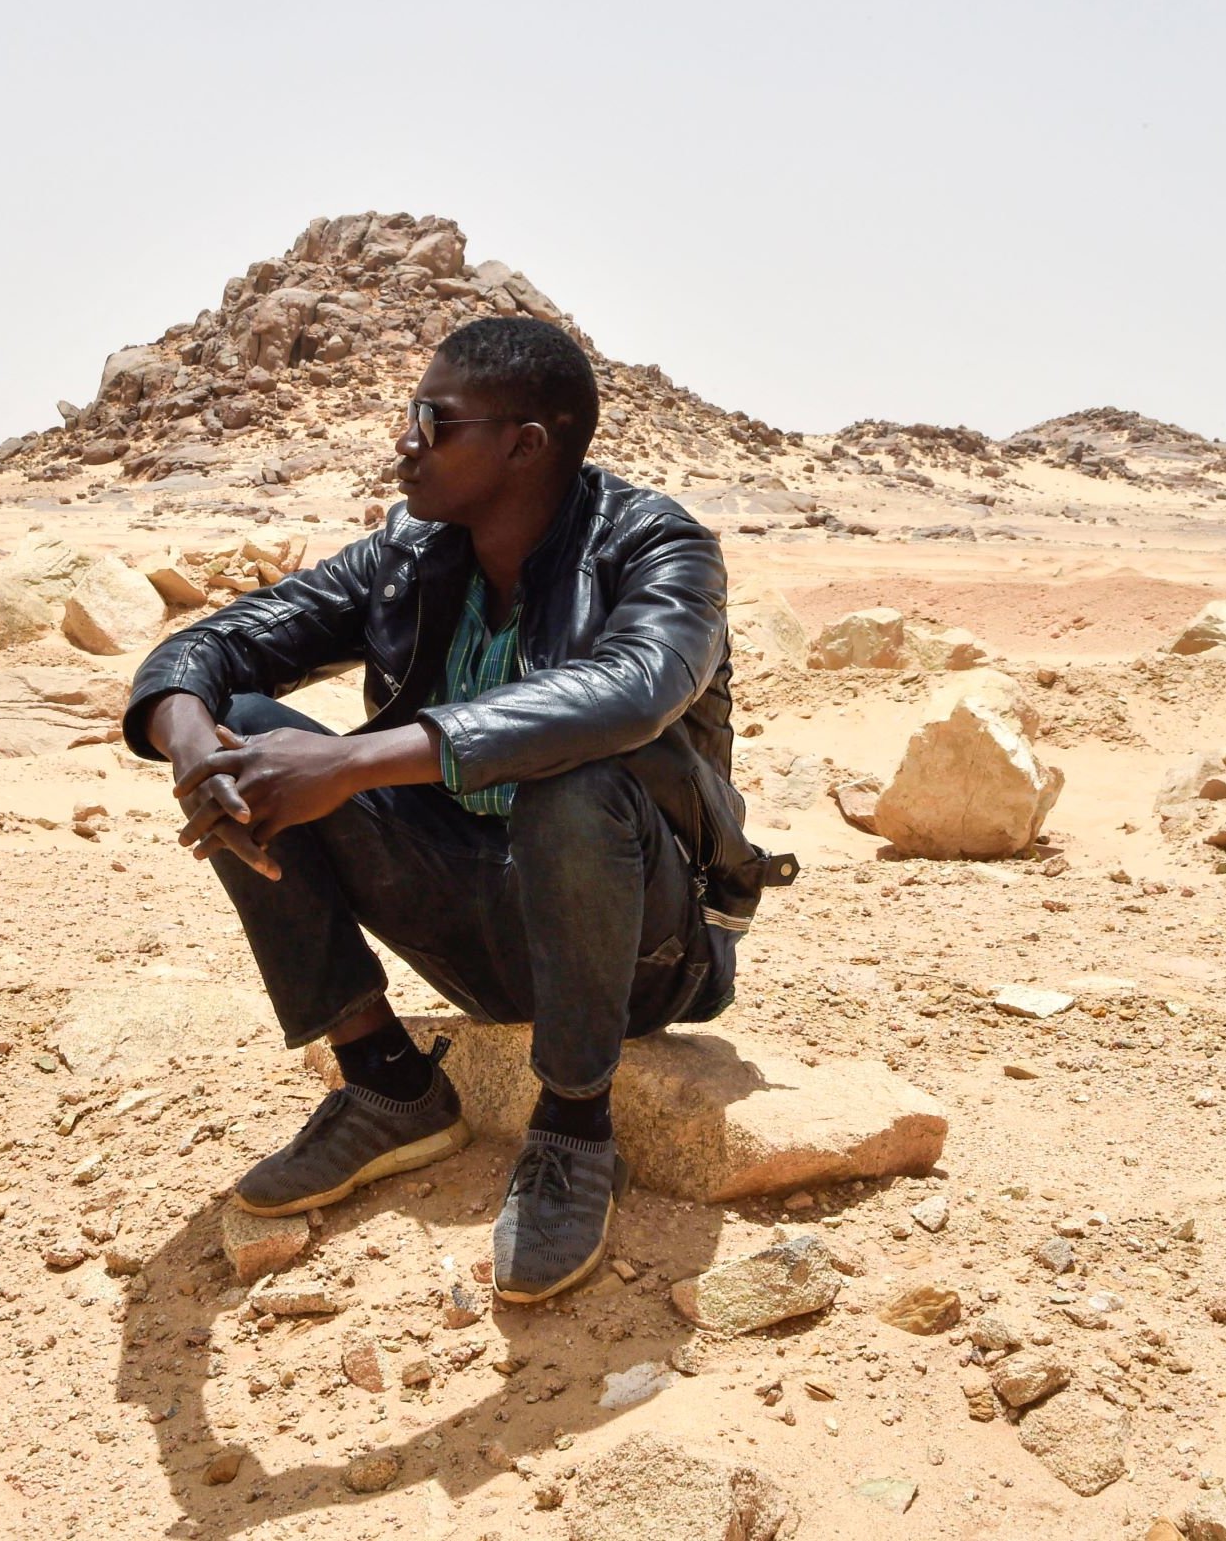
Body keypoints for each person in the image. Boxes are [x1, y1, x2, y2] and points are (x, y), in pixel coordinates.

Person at [122, 316, 792, 1303]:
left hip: (641, 950)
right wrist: (190, 742)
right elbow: (222, 643)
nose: (405, 441)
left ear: (524, 445)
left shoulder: (657, 547)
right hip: (477, 923)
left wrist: (353, 764)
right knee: (248, 738)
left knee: (576, 775)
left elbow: (637, 687)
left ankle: (571, 1129)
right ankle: (388, 1082)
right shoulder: (412, 553)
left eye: (434, 422)